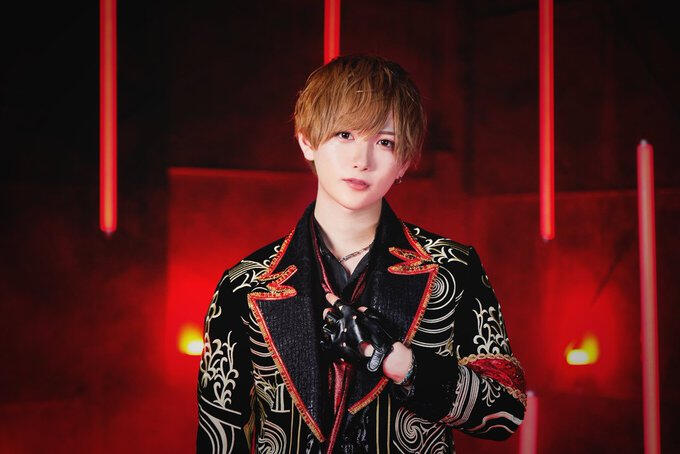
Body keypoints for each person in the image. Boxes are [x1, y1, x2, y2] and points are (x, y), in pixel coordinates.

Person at [197, 55, 526, 453]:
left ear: (404, 162)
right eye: (345, 135)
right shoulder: (244, 285)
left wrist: (402, 364)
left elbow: (506, 410)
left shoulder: (453, 268)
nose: (362, 160)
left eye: (385, 142)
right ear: (306, 141)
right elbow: (219, 434)